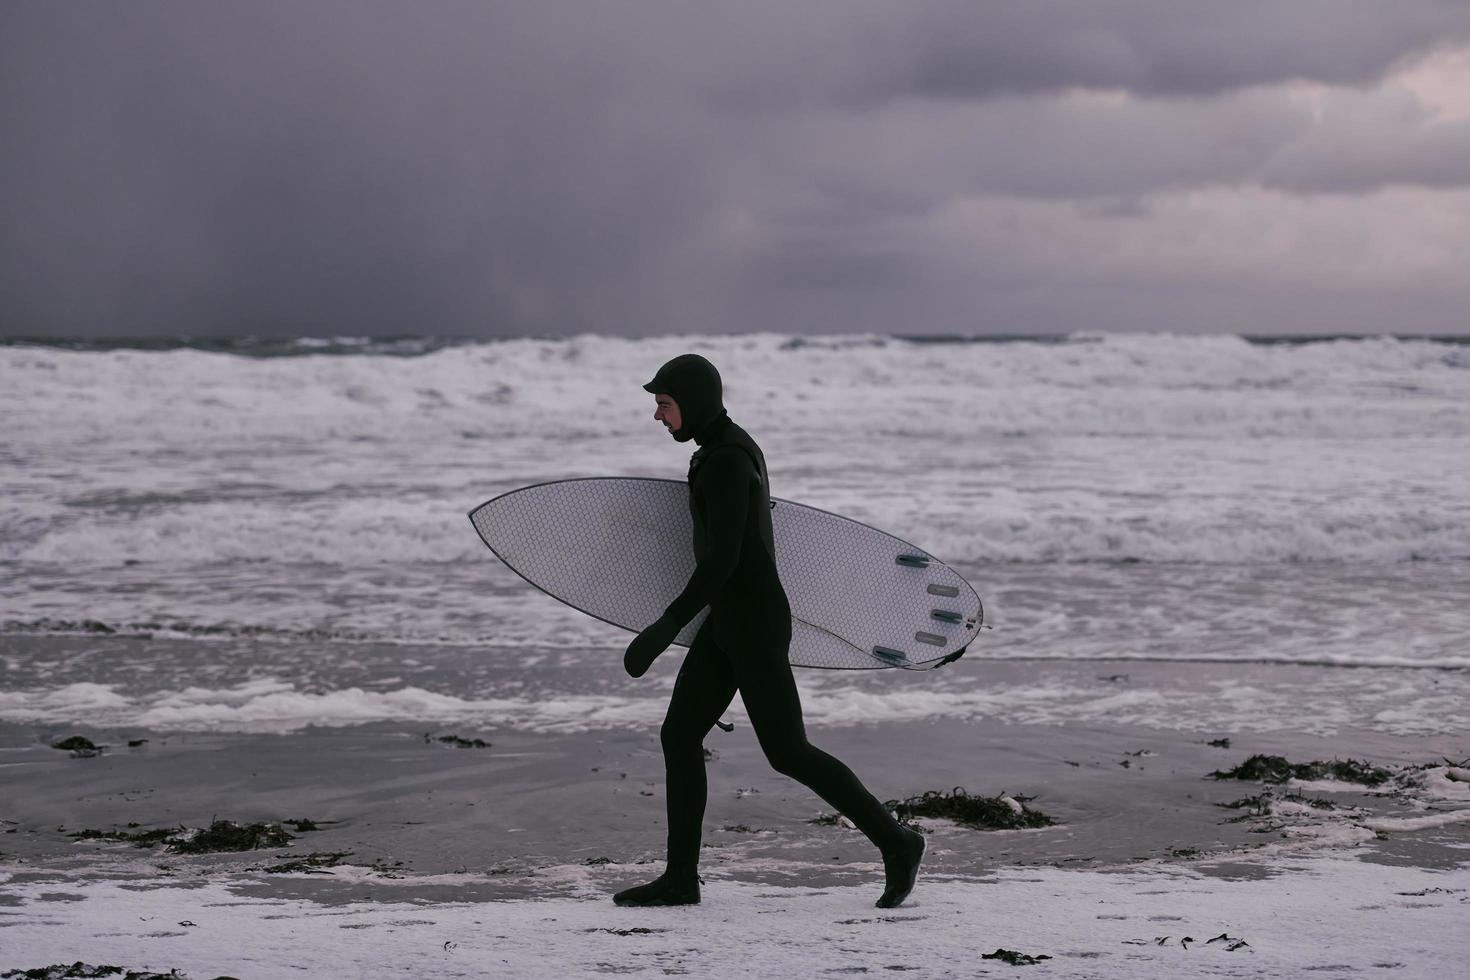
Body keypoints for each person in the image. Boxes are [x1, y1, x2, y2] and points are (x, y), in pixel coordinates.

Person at [613, 353, 926, 908]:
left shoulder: (728, 459)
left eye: (664, 405)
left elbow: (723, 560)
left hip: (752, 625)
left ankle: (897, 842)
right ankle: (681, 878)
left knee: (789, 753)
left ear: (693, 402)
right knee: (679, 735)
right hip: (728, 621)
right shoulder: (720, 449)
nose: (658, 417)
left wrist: (663, 628)